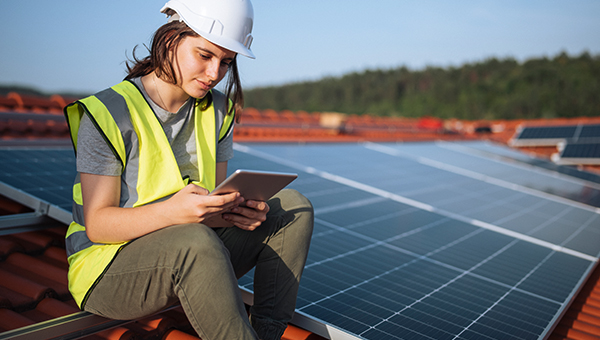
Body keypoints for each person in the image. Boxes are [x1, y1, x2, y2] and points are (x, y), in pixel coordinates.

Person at [63, 0, 314, 339]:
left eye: (227, 62)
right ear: (169, 40)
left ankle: (267, 333)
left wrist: (234, 213)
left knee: (293, 206)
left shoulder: (218, 111)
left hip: (191, 251)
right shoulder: (108, 114)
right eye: (205, 55)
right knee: (192, 241)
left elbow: (206, 213)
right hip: (109, 271)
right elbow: (98, 225)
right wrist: (175, 213)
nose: (215, 74)